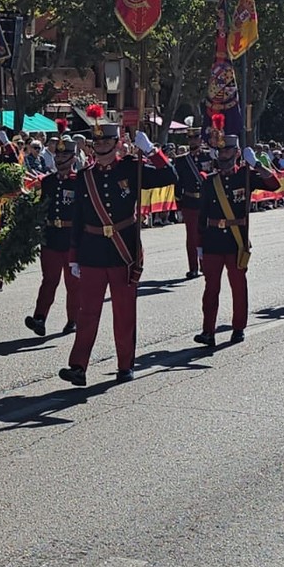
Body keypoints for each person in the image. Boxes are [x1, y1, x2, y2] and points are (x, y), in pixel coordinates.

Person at [59, 121, 176, 386]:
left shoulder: (131, 168)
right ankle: (78, 366)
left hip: (123, 250)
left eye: (105, 142)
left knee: (124, 311)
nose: (101, 146)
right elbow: (77, 218)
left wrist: (151, 152)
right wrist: (74, 256)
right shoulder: (85, 176)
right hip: (92, 250)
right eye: (97, 142)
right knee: (87, 311)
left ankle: (125, 365)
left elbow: (170, 177)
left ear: (116, 143)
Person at [193, 135, 282, 347]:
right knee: (210, 289)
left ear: (237, 153)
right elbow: (201, 213)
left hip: (236, 240)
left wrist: (258, 165)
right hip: (213, 240)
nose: (224, 155)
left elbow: (274, 185)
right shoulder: (209, 180)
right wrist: (198, 244)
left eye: (228, 151)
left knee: (238, 287)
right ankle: (208, 331)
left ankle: (239, 327)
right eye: (221, 151)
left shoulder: (246, 176)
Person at [25, 133, 80, 337]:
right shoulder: (48, 181)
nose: (59, 160)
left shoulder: (80, 181)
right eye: (57, 156)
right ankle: (40, 318)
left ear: (73, 158)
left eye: (64, 156)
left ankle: (73, 320)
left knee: (73, 284)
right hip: (51, 237)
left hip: (72, 238)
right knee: (48, 280)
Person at [174, 118, 210, 280]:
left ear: (201, 139)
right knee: (192, 237)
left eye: (195, 137)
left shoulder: (209, 157)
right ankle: (193, 267)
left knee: (205, 234)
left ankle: (205, 264)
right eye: (190, 138)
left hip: (206, 202)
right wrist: (178, 206)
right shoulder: (181, 160)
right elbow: (178, 184)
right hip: (189, 202)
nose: (193, 140)